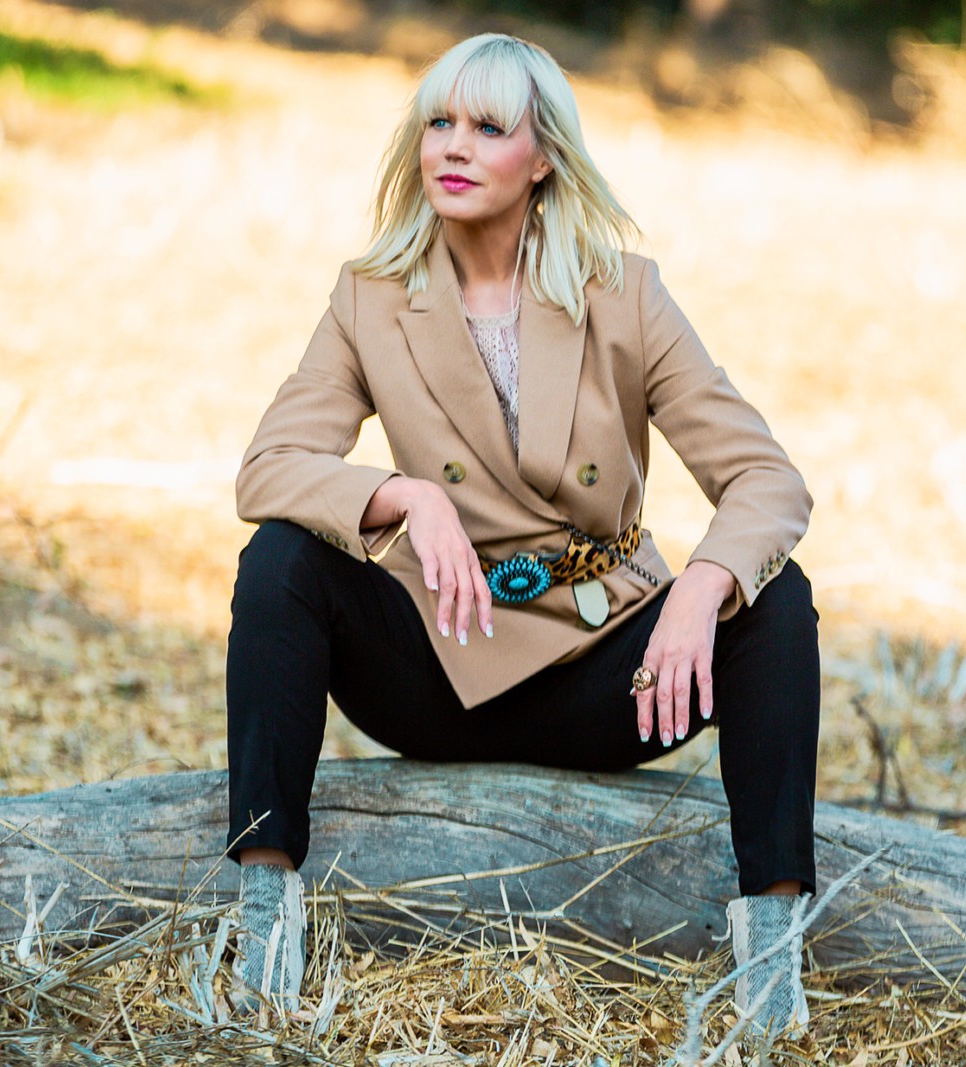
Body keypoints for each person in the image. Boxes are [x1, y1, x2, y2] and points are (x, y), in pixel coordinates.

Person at [225, 32, 820, 1039]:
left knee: (777, 600)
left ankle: (770, 957)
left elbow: (767, 478)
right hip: (437, 662)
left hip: (609, 672)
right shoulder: (371, 296)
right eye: (439, 122)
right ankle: (264, 926)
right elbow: (268, 467)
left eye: (489, 126)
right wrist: (405, 497)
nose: (453, 146)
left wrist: (699, 584)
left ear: (542, 156)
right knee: (280, 561)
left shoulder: (623, 293)